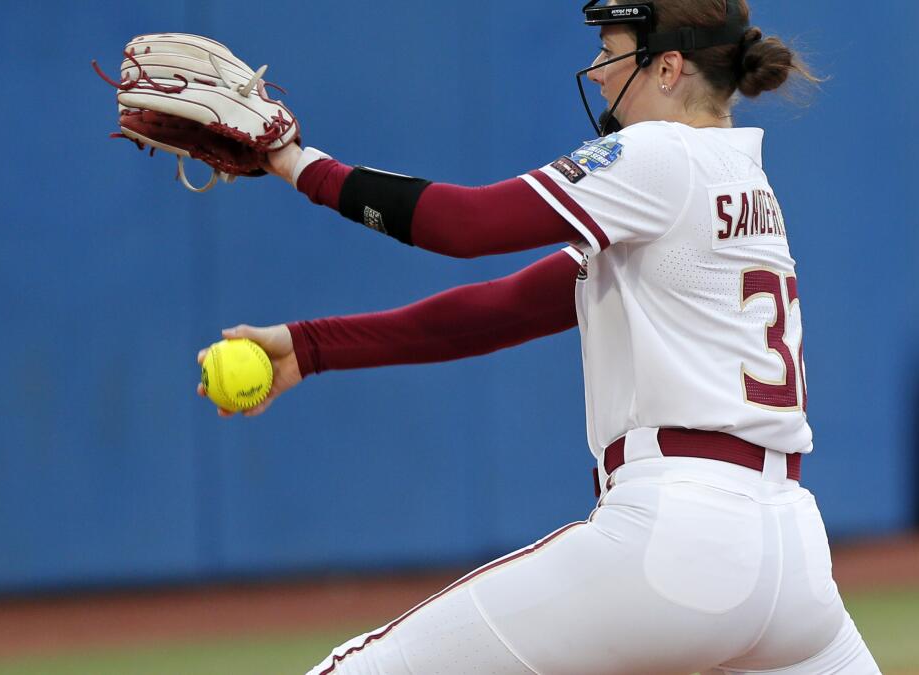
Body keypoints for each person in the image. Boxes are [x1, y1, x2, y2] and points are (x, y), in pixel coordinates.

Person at [197, 1, 880, 672]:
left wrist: (294, 163)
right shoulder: (739, 177)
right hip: (795, 561)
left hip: (678, 538)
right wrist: (313, 346)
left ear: (668, 66)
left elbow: (463, 225)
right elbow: (504, 310)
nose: (598, 70)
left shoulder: (657, 154)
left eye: (611, 50)